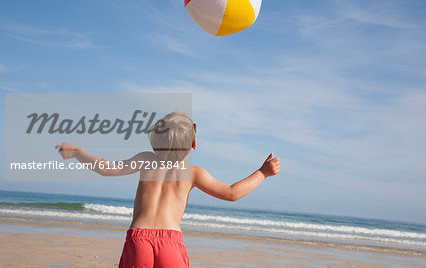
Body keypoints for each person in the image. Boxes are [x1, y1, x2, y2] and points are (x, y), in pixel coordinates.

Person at [56, 111, 280, 268]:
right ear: (193, 144)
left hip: (139, 239)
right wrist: (262, 173)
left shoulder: (145, 160)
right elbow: (232, 193)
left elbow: (106, 169)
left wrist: (78, 152)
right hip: (171, 241)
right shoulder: (194, 173)